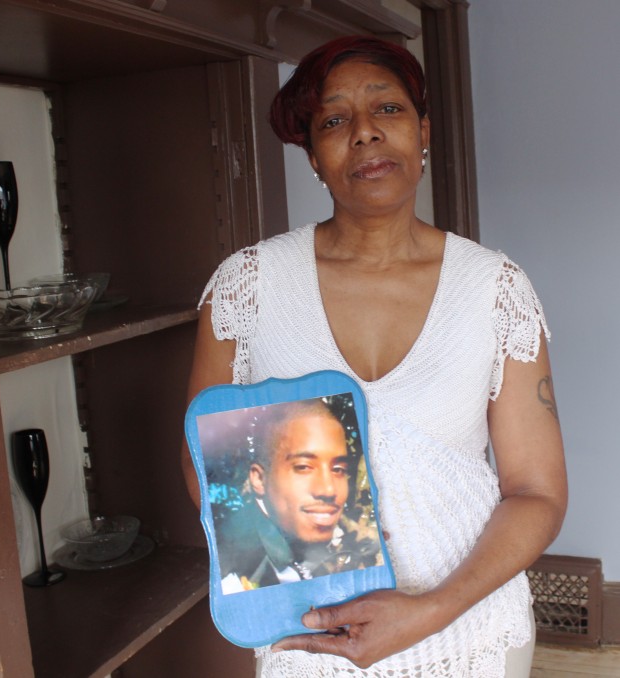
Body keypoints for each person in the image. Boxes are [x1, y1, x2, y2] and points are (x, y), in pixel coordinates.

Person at [182, 34, 567, 678]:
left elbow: (537, 492)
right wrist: (305, 570)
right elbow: (207, 471)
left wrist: (431, 608)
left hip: (470, 626)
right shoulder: (247, 287)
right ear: (313, 156)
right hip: (315, 632)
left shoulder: (495, 289)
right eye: (334, 120)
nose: (363, 132)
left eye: (385, 109)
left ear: (423, 132)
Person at [215, 399, 383, 594]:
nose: (328, 490)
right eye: (303, 467)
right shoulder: (234, 569)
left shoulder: (297, 549)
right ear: (259, 479)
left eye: (338, 469)